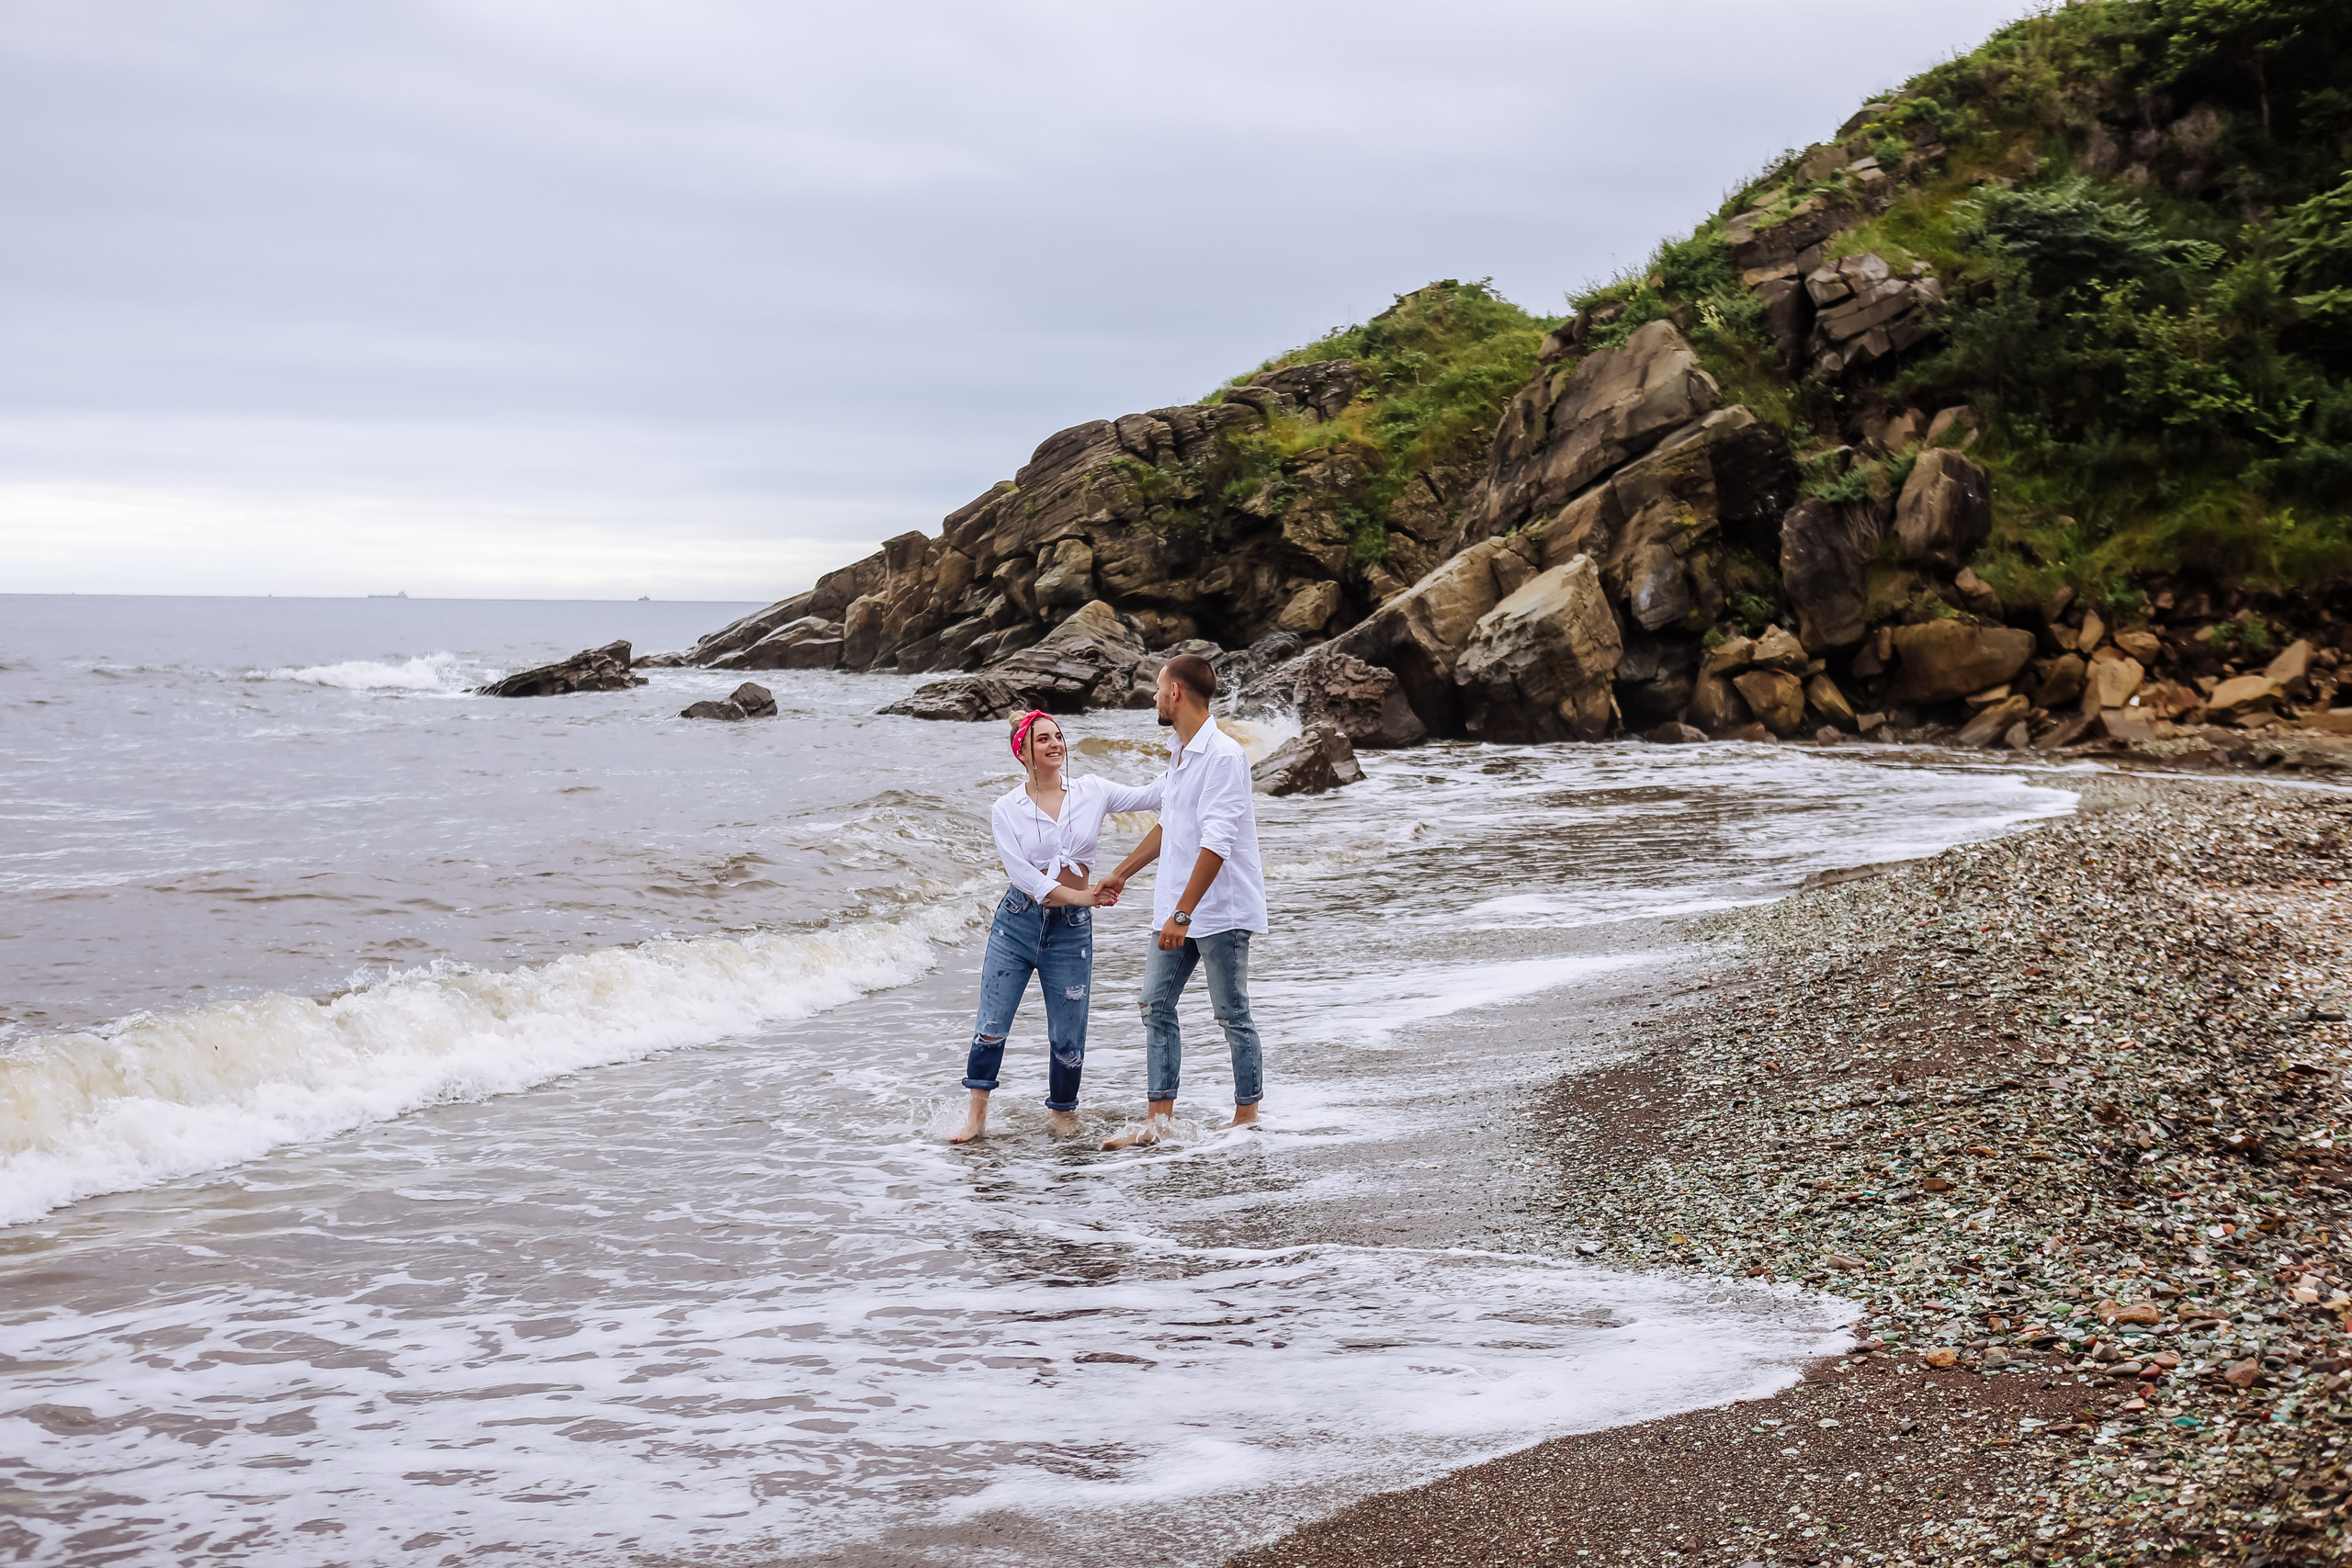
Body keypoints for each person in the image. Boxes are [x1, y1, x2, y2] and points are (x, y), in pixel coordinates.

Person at [948, 709, 1163, 1144]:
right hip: (1016, 925)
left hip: (1071, 931)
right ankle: (976, 1118)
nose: (1055, 744)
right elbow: (1023, 877)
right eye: (1043, 739)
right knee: (991, 1024)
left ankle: (1063, 1117)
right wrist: (1084, 895)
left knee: (1068, 1035)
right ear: (1023, 752)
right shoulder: (1005, 808)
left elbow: (1154, 794)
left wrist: (1185, 749)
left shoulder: (1093, 791)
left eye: (1058, 737)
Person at [1094, 653, 1267, 1148]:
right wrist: (1122, 874)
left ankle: (1247, 1117)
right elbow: (1169, 823)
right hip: (1177, 908)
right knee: (1154, 1004)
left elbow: (1218, 843)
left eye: (1157, 686)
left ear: (1176, 693)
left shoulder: (1224, 756)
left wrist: (1183, 913)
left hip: (1218, 910)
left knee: (1231, 1013)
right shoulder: (1180, 752)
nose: (1152, 695)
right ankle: (1158, 1122)